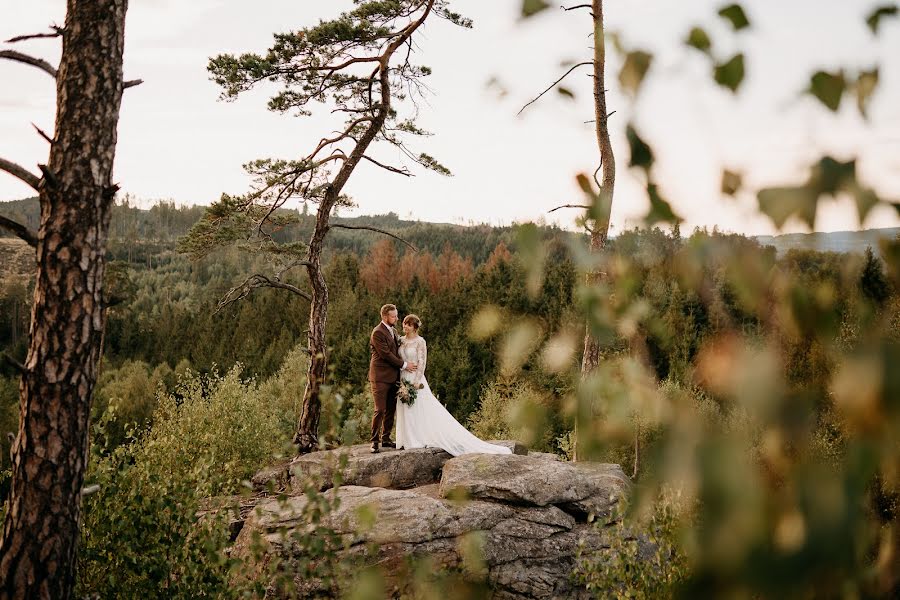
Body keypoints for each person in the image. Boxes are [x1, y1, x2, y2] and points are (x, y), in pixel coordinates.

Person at [395, 314, 512, 457]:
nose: (404, 326)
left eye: (408, 324)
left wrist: (417, 381)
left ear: (414, 327)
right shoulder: (401, 340)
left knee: (416, 407)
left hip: (415, 379)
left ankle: (416, 439)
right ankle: (406, 439)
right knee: (405, 407)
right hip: (403, 377)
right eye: (404, 323)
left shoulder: (420, 342)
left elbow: (422, 362)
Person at [368, 303, 416, 453]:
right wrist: (404, 365)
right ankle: (374, 442)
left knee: (390, 410)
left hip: (394, 377)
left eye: (396, 315)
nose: (396, 318)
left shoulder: (394, 331)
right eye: (393, 316)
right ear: (384, 316)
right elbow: (386, 354)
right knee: (380, 410)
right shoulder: (377, 332)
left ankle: (386, 438)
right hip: (380, 377)